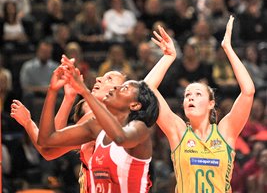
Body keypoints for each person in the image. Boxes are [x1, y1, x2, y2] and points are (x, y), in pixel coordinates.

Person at [144, 16, 255, 193]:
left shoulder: (225, 132)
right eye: (187, 95)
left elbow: (248, 91)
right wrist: (169, 57)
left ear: (211, 103)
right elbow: (147, 90)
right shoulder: (178, 132)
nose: (190, 98)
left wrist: (228, 49)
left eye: (197, 94)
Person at [37, 56, 159, 193]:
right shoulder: (95, 126)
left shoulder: (139, 129)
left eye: (123, 88)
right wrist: (53, 90)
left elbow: (120, 138)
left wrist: (84, 90)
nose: (116, 89)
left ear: (135, 105)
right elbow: (46, 140)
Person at [11, 67, 127, 193]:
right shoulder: (98, 122)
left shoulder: (103, 119)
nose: (98, 79)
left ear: (122, 92)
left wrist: (28, 122)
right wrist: (68, 98)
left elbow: (48, 147)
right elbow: (50, 149)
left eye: (109, 79)